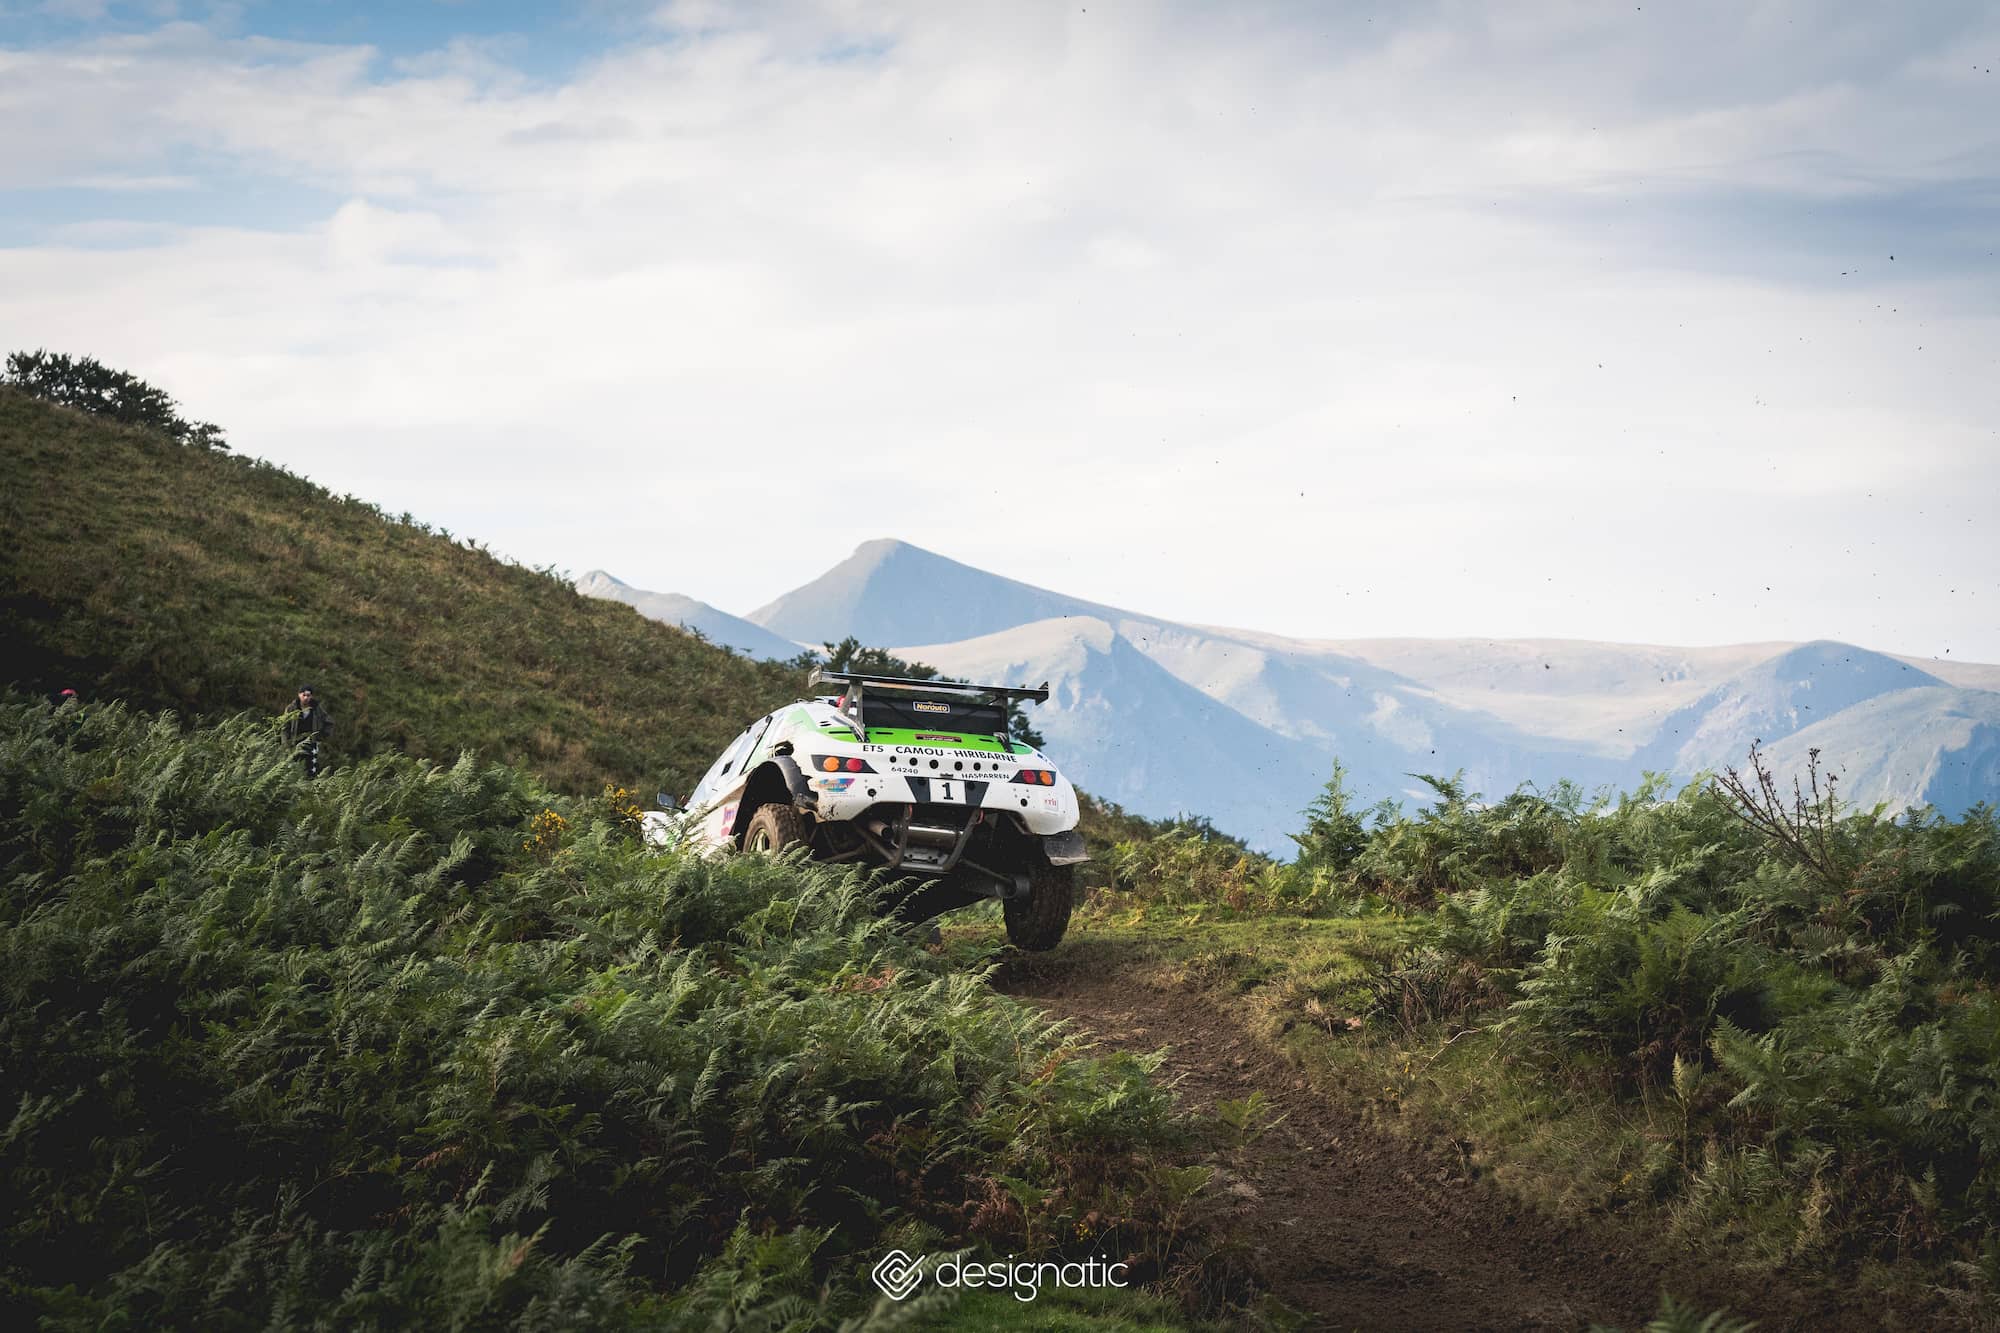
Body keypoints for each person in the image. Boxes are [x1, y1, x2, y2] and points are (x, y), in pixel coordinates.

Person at [283, 684, 333, 778]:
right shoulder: (291, 708)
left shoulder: (316, 709)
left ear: (311, 696)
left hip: (311, 744)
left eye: (308, 695)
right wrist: (286, 743)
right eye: (304, 695)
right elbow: (285, 727)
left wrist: (321, 736)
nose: (306, 698)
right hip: (294, 743)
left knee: (310, 772)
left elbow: (329, 722)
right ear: (299, 695)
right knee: (291, 771)